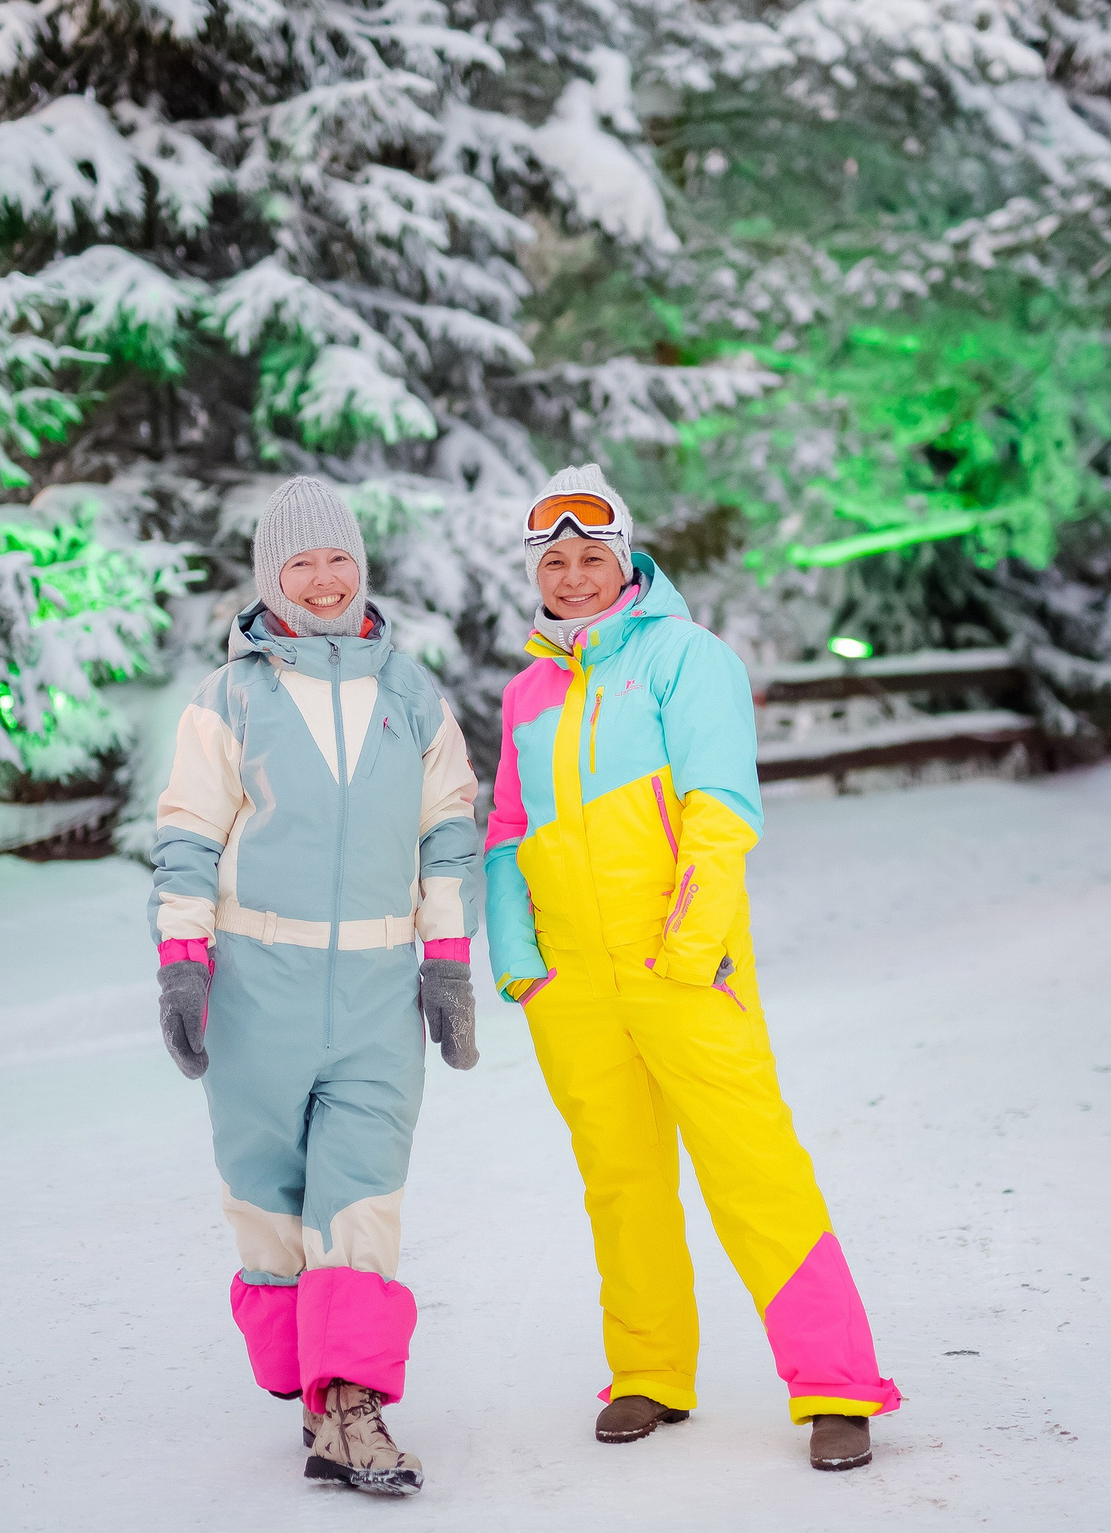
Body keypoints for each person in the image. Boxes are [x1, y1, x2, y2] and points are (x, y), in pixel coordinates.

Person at [483, 464, 901, 1473]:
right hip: (573, 988)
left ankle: (836, 1385)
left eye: (593, 557)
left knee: (754, 1171)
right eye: (556, 561)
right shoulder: (528, 691)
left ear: (624, 562)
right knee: (620, 1184)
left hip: (683, 968)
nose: (574, 577)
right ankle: (648, 1373)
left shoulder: (683, 658)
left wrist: (690, 946)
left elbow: (721, 810)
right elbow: (503, 831)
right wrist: (519, 964)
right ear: (534, 574)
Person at [148, 477, 483, 1497]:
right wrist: (182, 963)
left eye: (338, 559)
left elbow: (449, 834)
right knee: (268, 1204)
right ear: (271, 578)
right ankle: (313, 1384)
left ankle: (352, 1404)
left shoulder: (412, 694)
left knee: (362, 1199)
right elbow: (187, 837)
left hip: (380, 984)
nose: (325, 579)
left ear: (360, 566)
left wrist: (447, 962)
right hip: (260, 984)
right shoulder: (230, 698)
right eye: (301, 563)